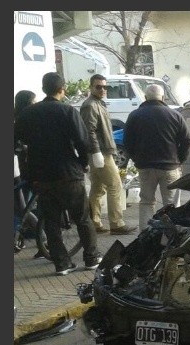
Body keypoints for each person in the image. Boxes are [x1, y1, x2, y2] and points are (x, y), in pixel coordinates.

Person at [14, 72, 101, 275]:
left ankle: (62, 264)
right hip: (68, 173)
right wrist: (82, 163)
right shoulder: (68, 111)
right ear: (62, 89)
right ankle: (91, 258)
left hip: (41, 176)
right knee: (82, 218)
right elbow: (83, 141)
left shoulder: (28, 114)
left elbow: (14, 141)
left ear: (44, 89)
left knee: (51, 222)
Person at [124, 84, 190, 230]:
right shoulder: (175, 115)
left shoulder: (134, 115)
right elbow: (186, 141)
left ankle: (145, 235)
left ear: (146, 97)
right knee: (171, 205)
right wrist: (180, 160)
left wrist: (136, 159)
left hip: (145, 166)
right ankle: (170, 238)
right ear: (162, 97)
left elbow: (127, 142)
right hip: (170, 166)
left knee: (146, 201)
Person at [80, 73, 137, 235]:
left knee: (98, 188)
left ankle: (95, 222)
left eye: (105, 87)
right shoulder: (91, 105)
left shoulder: (98, 104)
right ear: (91, 87)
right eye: (99, 86)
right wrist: (96, 151)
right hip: (100, 153)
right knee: (115, 185)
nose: (103, 89)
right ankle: (116, 223)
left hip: (101, 152)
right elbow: (89, 131)